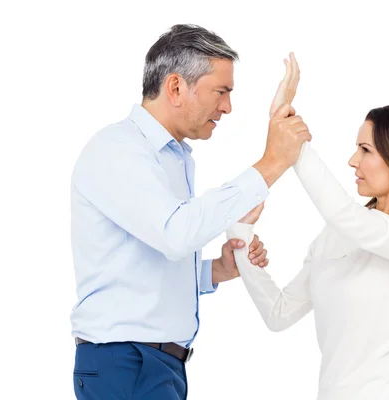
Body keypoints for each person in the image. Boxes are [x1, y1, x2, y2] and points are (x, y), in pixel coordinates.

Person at [69, 25, 311, 399]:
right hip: (127, 363)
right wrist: (272, 163)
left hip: (157, 366)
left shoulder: (173, 157)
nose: (228, 106)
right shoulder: (117, 149)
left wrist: (216, 269)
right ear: (176, 87)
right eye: (222, 91)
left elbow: (142, 263)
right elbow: (176, 234)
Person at [226, 54, 389, 399]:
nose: (353, 160)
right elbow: (279, 314)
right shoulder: (336, 235)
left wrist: (290, 134)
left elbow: (347, 216)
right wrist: (240, 236)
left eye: (365, 149)